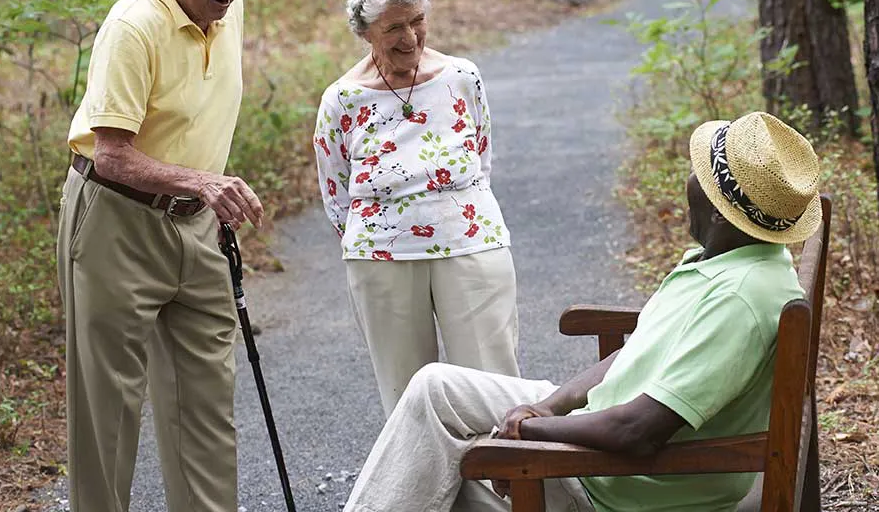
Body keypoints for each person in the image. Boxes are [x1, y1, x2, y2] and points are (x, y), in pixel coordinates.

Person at [342, 111, 823, 512]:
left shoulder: (738, 300)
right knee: (433, 389)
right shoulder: (728, 257)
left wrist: (529, 432)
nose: (688, 180)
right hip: (603, 438)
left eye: (700, 176)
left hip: (611, 487)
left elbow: (637, 432)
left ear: (721, 213)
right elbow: (642, 347)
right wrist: (547, 407)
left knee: (438, 472)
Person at [57, 0, 271, 512]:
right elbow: (112, 155)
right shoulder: (132, 25)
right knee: (109, 411)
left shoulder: (229, 9)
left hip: (197, 227)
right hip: (116, 222)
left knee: (207, 404)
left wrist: (201, 191)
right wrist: (202, 181)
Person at [314, 0, 520, 417]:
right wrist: (385, 236)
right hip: (383, 259)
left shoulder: (462, 77)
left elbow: (481, 158)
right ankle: (426, 491)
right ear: (365, 31)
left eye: (417, 21)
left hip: (472, 243)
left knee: (494, 389)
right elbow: (336, 194)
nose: (410, 38)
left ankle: (507, 489)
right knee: (408, 401)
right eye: (393, 29)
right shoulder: (342, 99)